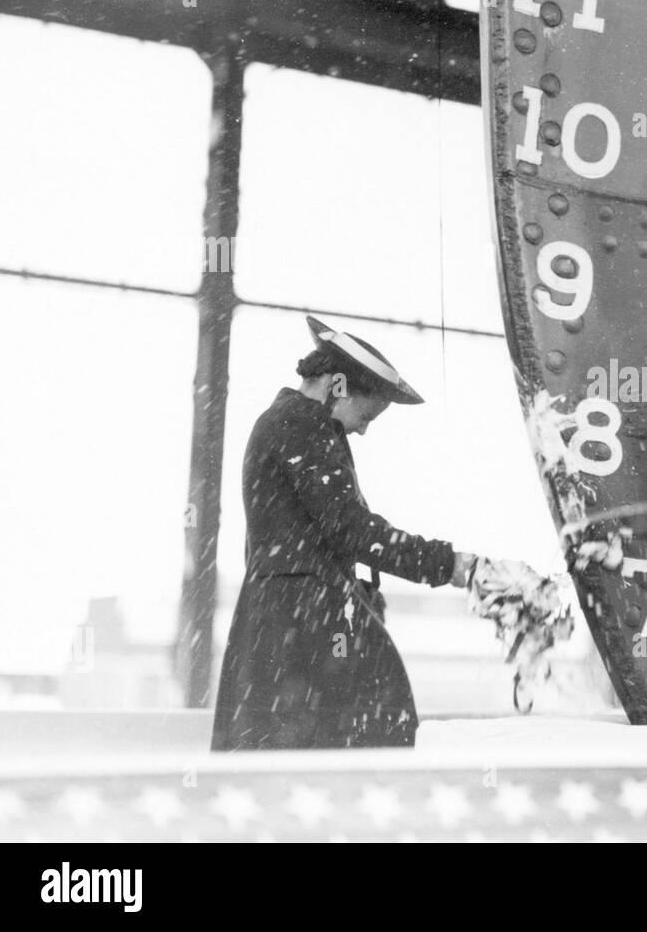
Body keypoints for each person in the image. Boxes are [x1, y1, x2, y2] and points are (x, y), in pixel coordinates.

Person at [211, 315, 512, 750]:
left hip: (290, 627)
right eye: (366, 414)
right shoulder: (301, 426)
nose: (364, 428)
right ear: (336, 385)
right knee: (358, 748)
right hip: (303, 629)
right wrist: (451, 565)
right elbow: (351, 528)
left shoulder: (290, 425)